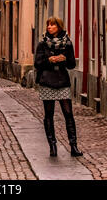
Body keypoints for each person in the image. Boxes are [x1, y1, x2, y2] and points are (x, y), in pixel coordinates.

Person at [34, 16, 83, 158]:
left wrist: (64, 59)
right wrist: (49, 60)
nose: (49, 27)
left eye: (53, 25)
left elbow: (72, 64)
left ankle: (73, 146)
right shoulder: (42, 44)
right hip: (47, 81)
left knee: (68, 113)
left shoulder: (67, 43)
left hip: (62, 81)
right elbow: (38, 64)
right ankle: (52, 146)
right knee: (49, 114)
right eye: (48, 25)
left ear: (59, 27)